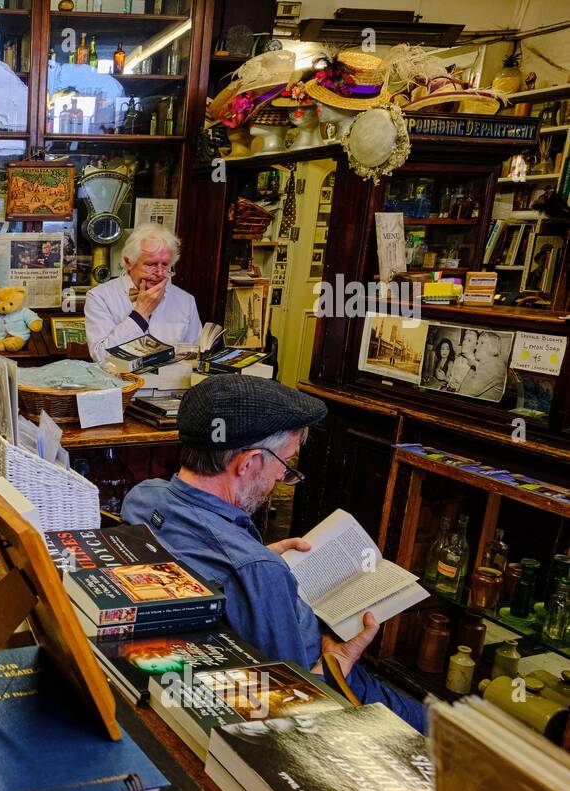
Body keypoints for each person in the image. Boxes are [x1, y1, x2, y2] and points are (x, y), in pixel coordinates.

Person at [120, 374, 426, 732]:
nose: (282, 477)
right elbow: (290, 705)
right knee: (447, 734)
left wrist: (248, 557)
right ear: (248, 463)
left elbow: (199, 566)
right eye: (286, 463)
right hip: (315, 693)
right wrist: (340, 659)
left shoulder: (143, 498)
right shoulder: (257, 571)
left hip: (180, 672)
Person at [84, 222, 202, 364]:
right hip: (123, 384)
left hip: (171, 384)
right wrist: (140, 314)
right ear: (129, 263)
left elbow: (195, 357)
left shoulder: (185, 301)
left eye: (165, 265)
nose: (159, 273)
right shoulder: (100, 297)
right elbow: (101, 357)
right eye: (151, 264)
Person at [457, 330, 508, 401]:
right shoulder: (491, 361)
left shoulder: (493, 365)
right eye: (477, 343)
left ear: (492, 346)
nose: (476, 347)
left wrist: (473, 366)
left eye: (482, 343)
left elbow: (464, 391)